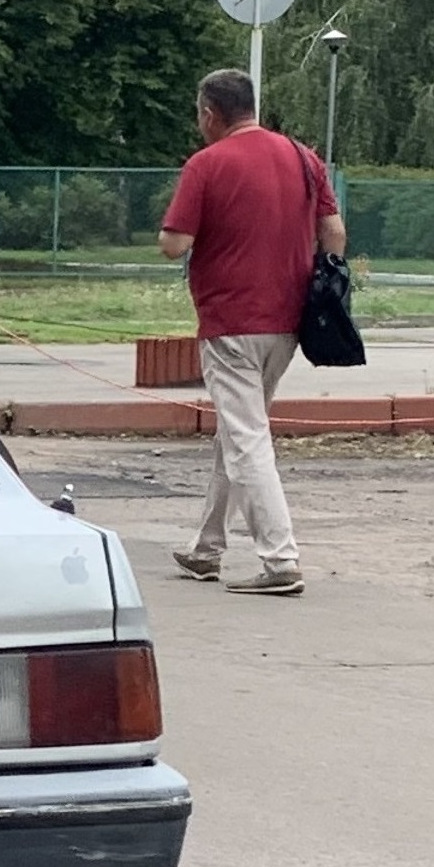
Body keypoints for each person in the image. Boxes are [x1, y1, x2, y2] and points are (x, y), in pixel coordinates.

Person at [158, 69, 347, 597]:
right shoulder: (303, 158)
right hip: (288, 322)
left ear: (209, 114)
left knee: (246, 438)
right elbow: (333, 231)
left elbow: (174, 244)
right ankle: (206, 549)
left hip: (230, 323)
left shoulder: (206, 164)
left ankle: (280, 559)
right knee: (239, 430)